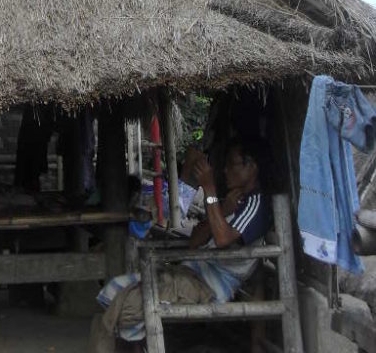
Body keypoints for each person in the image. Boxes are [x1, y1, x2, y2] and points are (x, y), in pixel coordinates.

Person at [89, 136, 271, 350]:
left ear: (252, 167)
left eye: (231, 165)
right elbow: (195, 240)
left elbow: (222, 239)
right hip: (192, 273)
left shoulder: (255, 203)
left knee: (129, 305)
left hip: (208, 286)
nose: (225, 171)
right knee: (116, 288)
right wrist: (221, 210)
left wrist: (210, 189)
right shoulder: (234, 200)